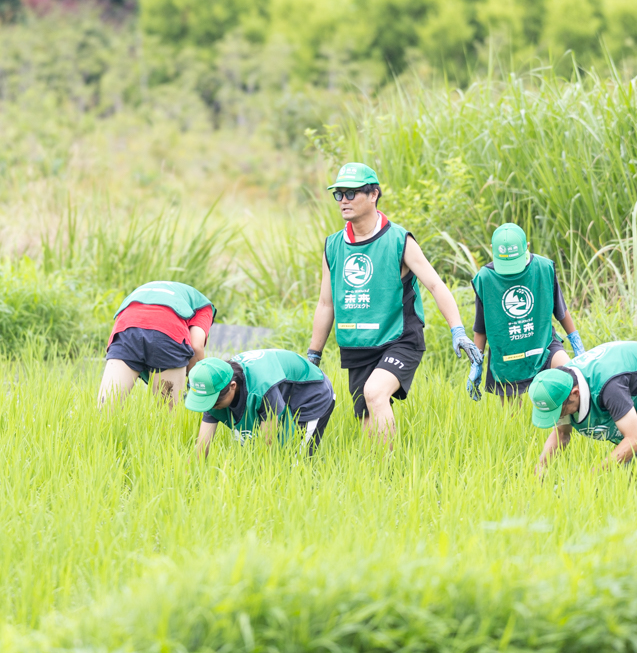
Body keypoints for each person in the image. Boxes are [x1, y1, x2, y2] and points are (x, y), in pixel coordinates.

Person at [305, 162, 480, 446]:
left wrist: (458, 330)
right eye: (339, 194)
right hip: (357, 342)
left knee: (375, 393)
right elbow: (326, 304)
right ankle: (377, 478)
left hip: (400, 338)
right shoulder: (334, 246)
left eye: (352, 193)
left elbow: (435, 285)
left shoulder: (399, 240)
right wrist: (314, 354)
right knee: (366, 421)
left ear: (373, 194)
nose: (344, 201)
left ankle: (388, 469)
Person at [528, 339, 637, 472]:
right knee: (631, 467)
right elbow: (561, 434)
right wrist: (539, 471)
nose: (558, 417)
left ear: (575, 394)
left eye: (559, 411)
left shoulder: (609, 387)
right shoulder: (562, 383)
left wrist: (591, 478)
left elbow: (635, 439)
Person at [468, 222, 582, 399]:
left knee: (571, 381)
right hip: (507, 355)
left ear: (527, 246)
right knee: (513, 419)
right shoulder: (485, 278)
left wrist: (577, 344)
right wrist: (476, 363)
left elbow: (560, 311)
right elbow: (481, 327)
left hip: (543, 345)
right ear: (492, 250)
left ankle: (561, 427)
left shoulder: (544, 269)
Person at [184, 350, 336, 462]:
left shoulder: (262, 389)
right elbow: (202, 446)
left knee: (295, 460)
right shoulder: (214, 385)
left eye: (215, 403)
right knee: (249, 452)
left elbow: (266, 446)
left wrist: (260, 474)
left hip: (311, 394)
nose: (211, 407)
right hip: (279, 392)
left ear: (232, 386)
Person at [98, 280, 214, 406]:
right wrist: (197, 388)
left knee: (106, 408)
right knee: (169, 416)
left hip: (127, 327)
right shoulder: (204, 307)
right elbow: (196, 346)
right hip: (167, 329)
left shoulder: (153, 289)